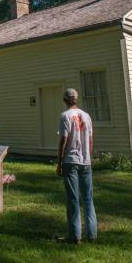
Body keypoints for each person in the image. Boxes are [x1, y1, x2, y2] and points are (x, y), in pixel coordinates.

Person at [56, 88, 97, 244]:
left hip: (70, 161)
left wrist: (59, 162)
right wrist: (89, 157)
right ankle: (91, 234)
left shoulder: (65, 116)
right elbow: (91, 140)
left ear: (65, 99)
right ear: (76, 99)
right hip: (86, 161)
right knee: (88, 198)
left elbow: (63, 140)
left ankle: (74, 236)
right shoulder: (86, 116)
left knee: (73, 199)